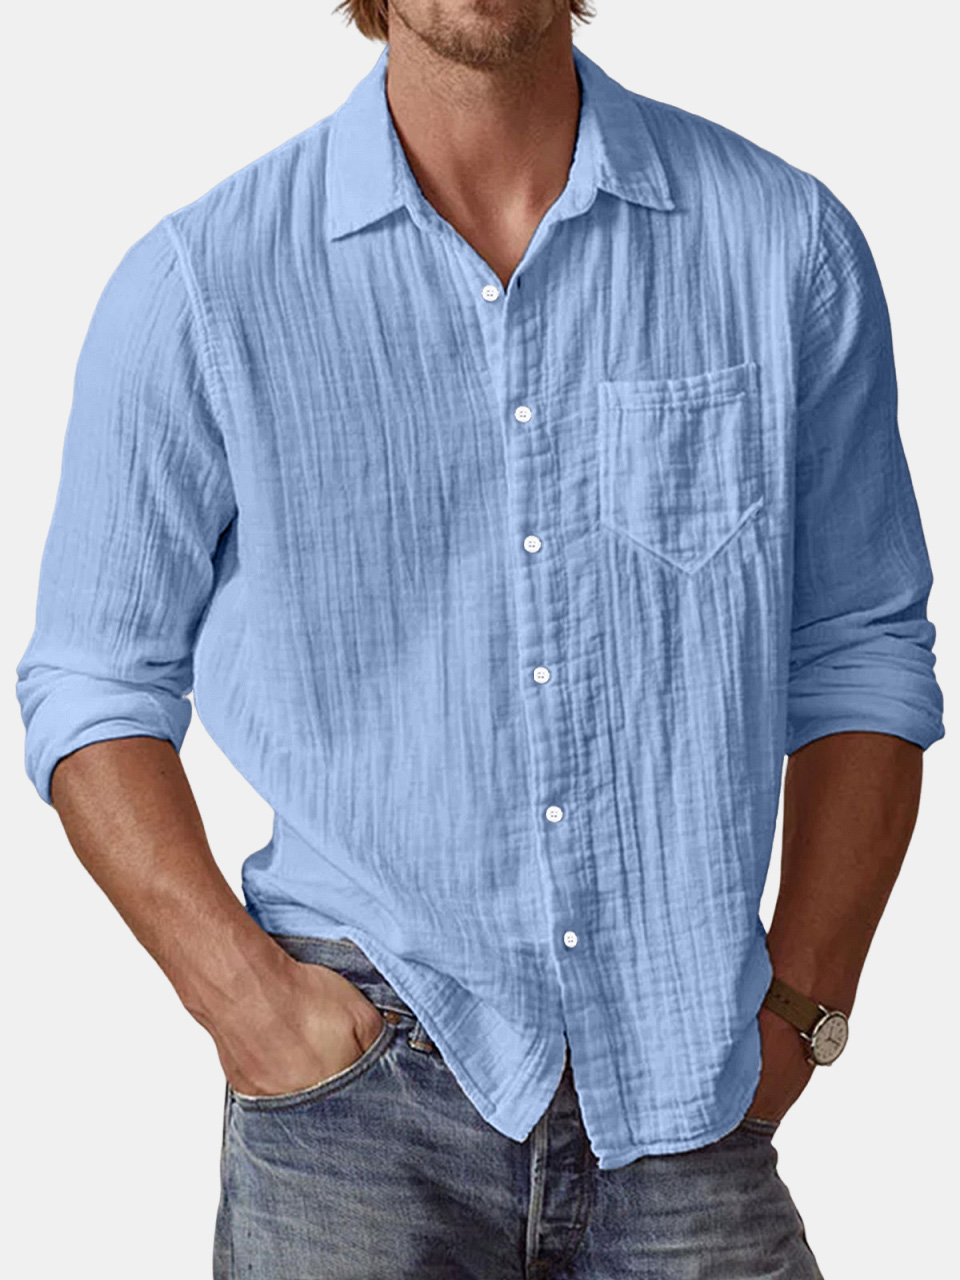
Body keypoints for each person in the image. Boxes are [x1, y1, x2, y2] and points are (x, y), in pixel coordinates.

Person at [15, 1, 945, 1276]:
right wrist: (248, 1001)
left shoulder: (783, 246)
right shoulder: (202, 285)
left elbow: (860, 647)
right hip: (353, 1103)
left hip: (692, 1084)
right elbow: (93, 681)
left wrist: (803, 1004)